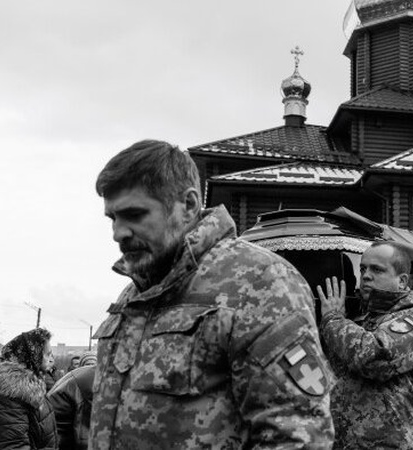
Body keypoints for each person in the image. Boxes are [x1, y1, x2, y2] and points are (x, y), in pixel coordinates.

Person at [91, 140, 334, 449]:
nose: (118, 233)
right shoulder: (133, 296)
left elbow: (300, 436)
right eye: (113, 218)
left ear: (189, 206)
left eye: (134, 214)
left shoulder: (258, 282)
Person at [317, 242, 413, 449]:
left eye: (377, 269)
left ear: (402, 281)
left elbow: (374, 357)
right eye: (363, 268)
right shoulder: (361, 318)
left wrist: (333, 320)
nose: (366, 275)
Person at [0, 328, 58, 449]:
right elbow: (14, 444)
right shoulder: (12, 392)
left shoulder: (33, 385)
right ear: (33, 355)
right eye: (47, 354)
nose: (51, 359)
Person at [47, 352, 98, 450]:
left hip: (51, 430)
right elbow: (83, 436)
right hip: (55, 436)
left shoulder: (85, 374)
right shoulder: (92, 381)